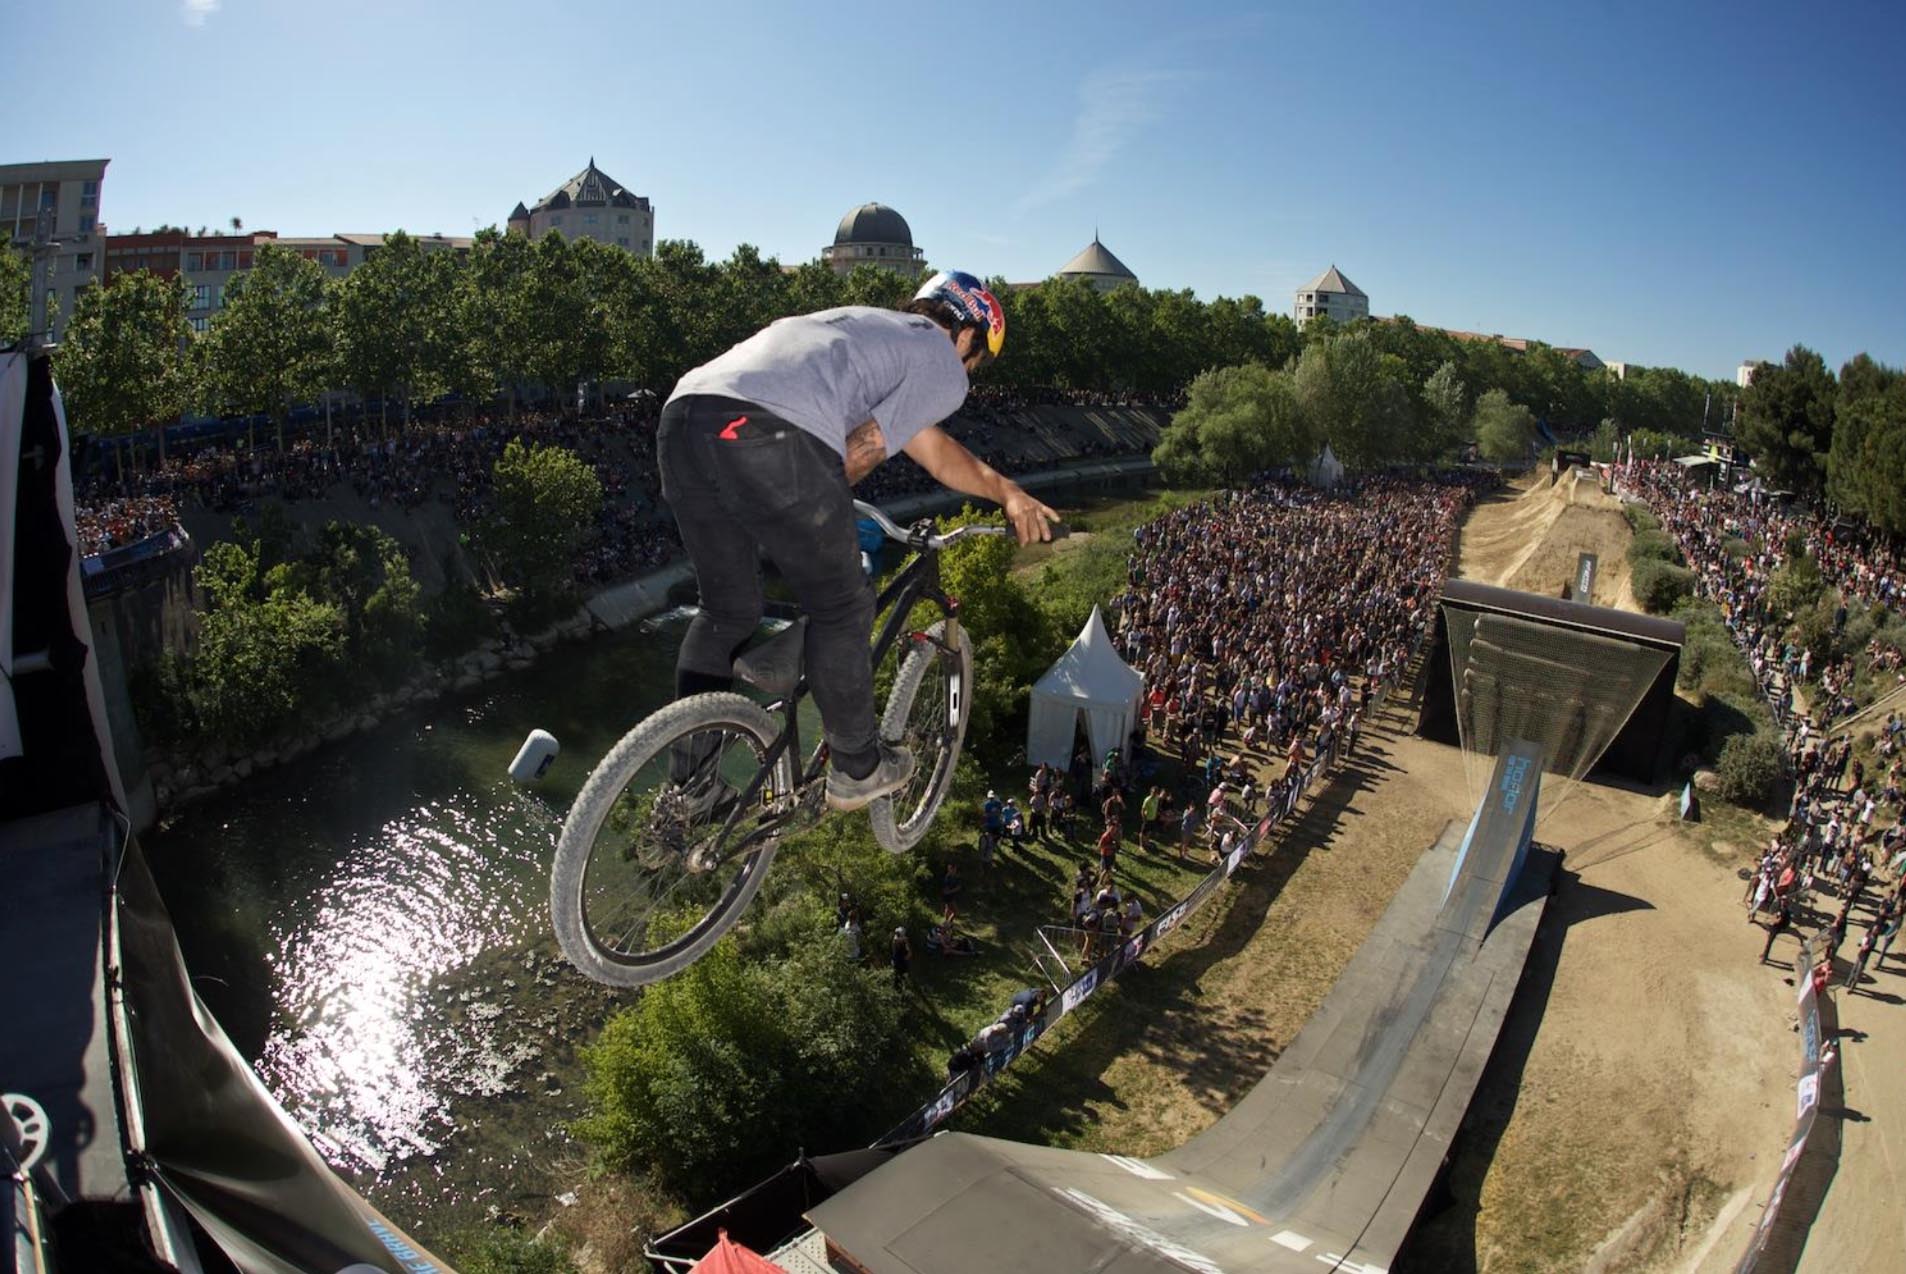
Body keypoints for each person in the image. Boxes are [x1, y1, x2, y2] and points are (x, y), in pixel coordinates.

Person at [658, 271, 1057, 812]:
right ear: (967, 334)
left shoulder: (871, 333)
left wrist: (1005, 490)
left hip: (685, 418)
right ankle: (857, 768)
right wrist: (814, 503)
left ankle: (692, 791)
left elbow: (935, 451)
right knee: (845, 603)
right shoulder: (940, 358)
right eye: (976, 362)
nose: (968, 374)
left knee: (727, 612)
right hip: (764, 430)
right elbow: (862, 450)